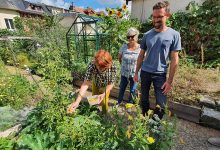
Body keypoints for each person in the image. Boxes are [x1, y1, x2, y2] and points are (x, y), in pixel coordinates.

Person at [133, 1, 181, 119]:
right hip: (145, 72)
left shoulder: (174, 35)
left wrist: (169, 81)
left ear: (167, 16)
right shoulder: (147, 35)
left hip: (160, 75)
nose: (156, 19)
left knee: (161, 105)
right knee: (144, 100)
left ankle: (154, 126)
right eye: (154, 17)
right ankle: (144, 121)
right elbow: (141, 55)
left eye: (159, 16)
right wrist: (136, 72)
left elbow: (175, 59)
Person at [117, 27, 141, 105]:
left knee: (133, 90)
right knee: (122, 88)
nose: (130, 38)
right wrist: (124, 66)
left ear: (136, 36)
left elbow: (143, 60)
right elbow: (119, 58)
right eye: (128, 37)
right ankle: (119, 102)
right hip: (124, 73)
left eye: (132, 36)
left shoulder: (141, 48)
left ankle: (130, 104)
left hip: (135, 74)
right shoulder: (124, 46)